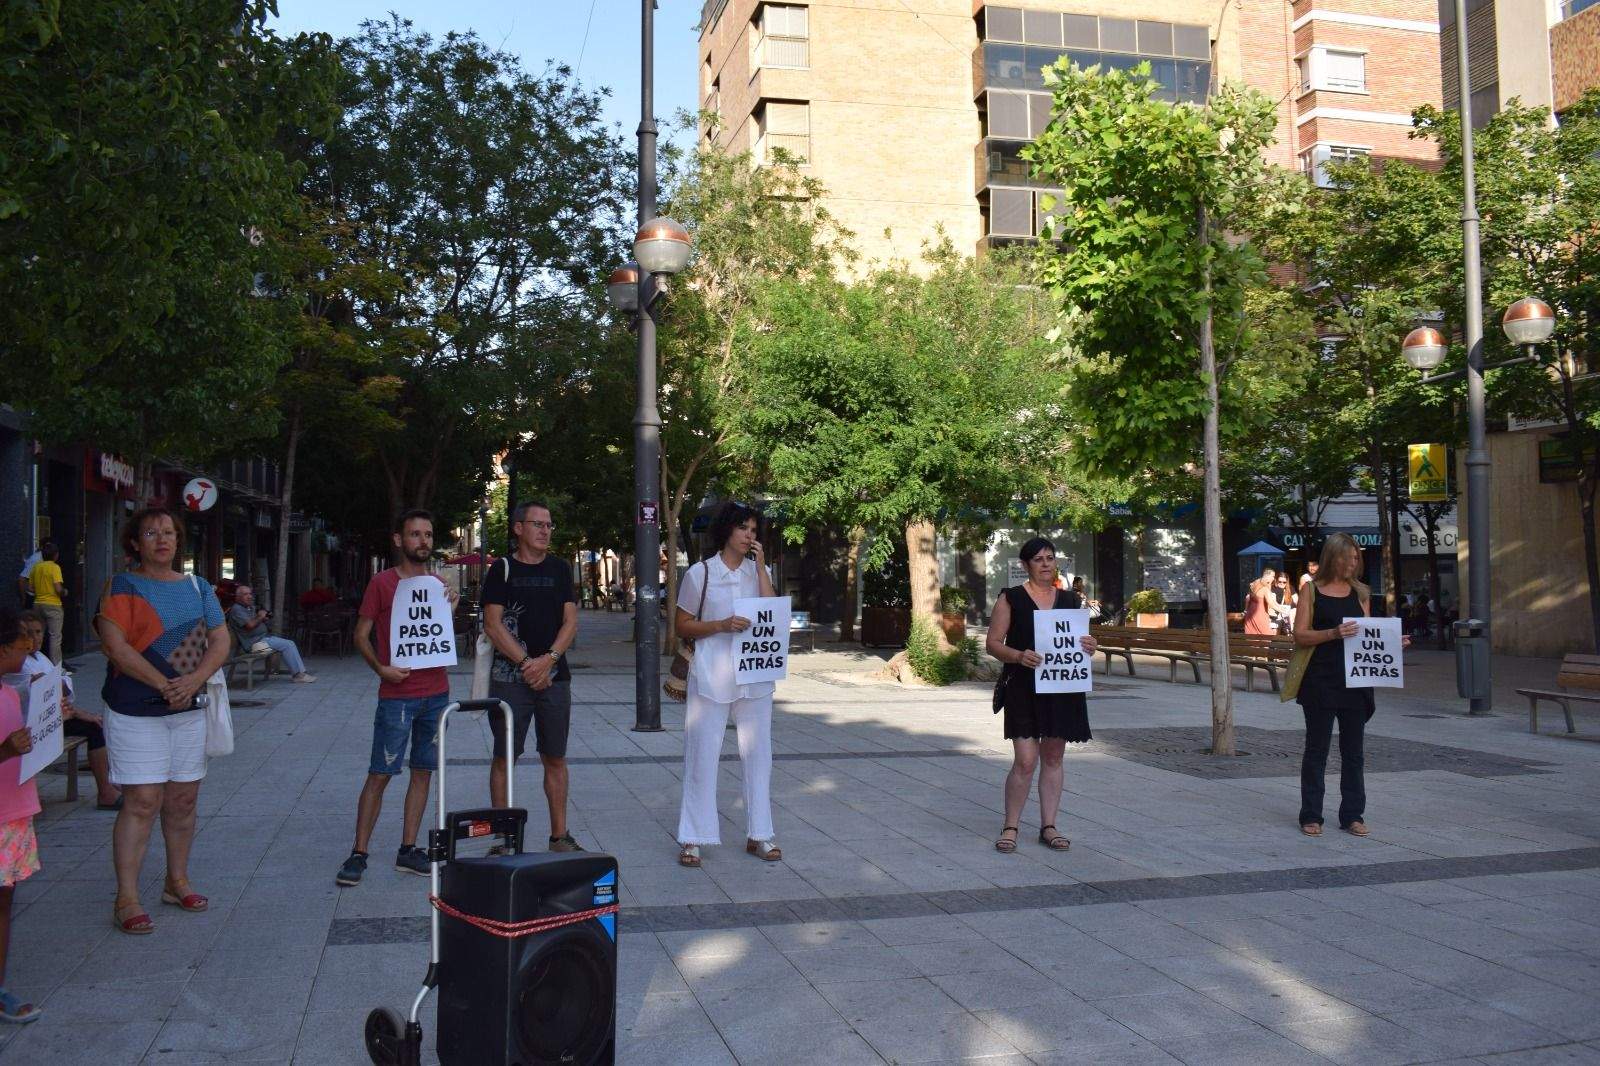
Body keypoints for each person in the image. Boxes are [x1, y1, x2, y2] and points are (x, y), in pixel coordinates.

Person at [97, 507, 230, 934]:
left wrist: (192, 681)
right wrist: (166, 684)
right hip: (135, 710)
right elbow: (116, 647)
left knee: (183, 800)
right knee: (141, 801)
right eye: (151, 532)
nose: (162, 539)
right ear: (135, 542)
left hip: (187, 710)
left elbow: (221, 638)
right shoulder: (121, 586)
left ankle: (177, 880)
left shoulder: (198, 587)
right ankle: (127, 896)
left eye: (169, 532)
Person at [336, 510, 459, 887]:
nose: (422, 541)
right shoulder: (383, 583)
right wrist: (381, 668)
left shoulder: (438, 585)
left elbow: (435, 635)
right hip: (396, 696)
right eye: (415, 534)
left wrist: (449, 609)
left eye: (427, 534)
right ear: (399, 540)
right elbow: (361, 634)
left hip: (436, 694)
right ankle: (359, 852)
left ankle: (408, 849)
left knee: (422, 773)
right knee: (380, 773)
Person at [673, 502, 781, 868]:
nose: (749, 535)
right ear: (727, 531)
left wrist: (762, 566)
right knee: (702, 752)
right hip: (711, 673)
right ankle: (692, 836)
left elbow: (772, 613)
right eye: (743, 528)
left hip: (755, 674)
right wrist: (719, 625)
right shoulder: (700, 574)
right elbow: (683, 624)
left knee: (759, 755)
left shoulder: (758, 571)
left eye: (754, 529)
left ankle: (760, 834)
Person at [985, 538, 1098, 853]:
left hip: (1061, 687)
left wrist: (1091, 645)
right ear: (1025, 565)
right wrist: (1019, 656)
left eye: (1050, 558)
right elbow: (992, 643)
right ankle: (1011, 826)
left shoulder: (1071, 601)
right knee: (1025, 760)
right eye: (1038, 559)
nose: (1046, 563)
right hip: (1023, 686)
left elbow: (1079, 641)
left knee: (1053, 757)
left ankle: (1049, 826)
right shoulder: (1011, 599)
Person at [1292, 532, 1408, 838]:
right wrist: (1333, 633)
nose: (1355, 562)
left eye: (1357, 557)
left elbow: (1368, 633)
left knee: (1354, 751)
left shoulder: (1361, 592)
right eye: (1350, 557)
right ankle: (1311, 814)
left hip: (1355, 681)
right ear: (1335, 557)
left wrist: (1393, 644)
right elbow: (1300, 636)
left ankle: (1353, 814)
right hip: (1320, 680)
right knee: (1317, 749)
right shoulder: (1310, 590)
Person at [481, 500, 581, 852]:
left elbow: (570, 621)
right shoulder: (502, 569)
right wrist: (529, 664)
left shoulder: (560, 569)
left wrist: (550, 659)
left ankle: (559, 835)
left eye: (549, 525)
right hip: (510, 679)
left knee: (555, 756)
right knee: (504, 755)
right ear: (518, 528)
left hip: (555, 678)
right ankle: (502, 836)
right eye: (537, 524)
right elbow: (493, 625)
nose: (545, 531)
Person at [20, 611, 120, 810]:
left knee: (97, 725)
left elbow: (63, 685)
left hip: (56, 716)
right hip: (31, 723)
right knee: (93, 727)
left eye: (38, 632)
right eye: (28, 633)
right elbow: (40, 688)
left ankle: (109, 784)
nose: (34, 638)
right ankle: (106, 792)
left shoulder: (41, 658)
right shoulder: (21, 662)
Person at [0, 608, 42, 1022]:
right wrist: (6, 751)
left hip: (12, 813)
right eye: (19, 645)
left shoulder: (10, 692)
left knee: (4, 902)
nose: (28, 650)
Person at [227, 585, 316, 683]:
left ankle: (300, 673)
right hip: (253, 643)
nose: (249, 596)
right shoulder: (237, 609)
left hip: (261, 639)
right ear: (237, 597)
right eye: (245, 594)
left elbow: (253, 622)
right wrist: (260, 616)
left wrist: (262, 618)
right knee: (288, 645)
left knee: (289, 643)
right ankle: (298, 675)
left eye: (250, 594)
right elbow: (250, 626)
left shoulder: (246, 608)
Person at [28, 543, 66, 666]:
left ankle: (34, 663)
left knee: (37, 634)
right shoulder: (55, 567)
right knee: (55, 637)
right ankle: (56, 667)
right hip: (53, 605)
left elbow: (30, 588)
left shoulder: (36, 567)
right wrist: (65, 592)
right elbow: (58, 589)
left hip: (38, 603)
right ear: (56, 555)